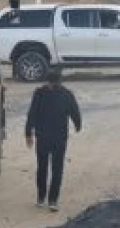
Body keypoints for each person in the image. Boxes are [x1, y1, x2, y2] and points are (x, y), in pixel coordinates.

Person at [24, 67, 82, 212]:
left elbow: (32, 114)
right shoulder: (67, 94)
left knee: (45, 168)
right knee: (55, 169)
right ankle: (51, 200)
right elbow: (75, 112)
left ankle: (44, 198)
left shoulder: (39, 94)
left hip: (44, 137)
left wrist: (28, 134)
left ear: (47, 80)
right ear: (60, 81)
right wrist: (77, 124)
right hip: (58, 138)